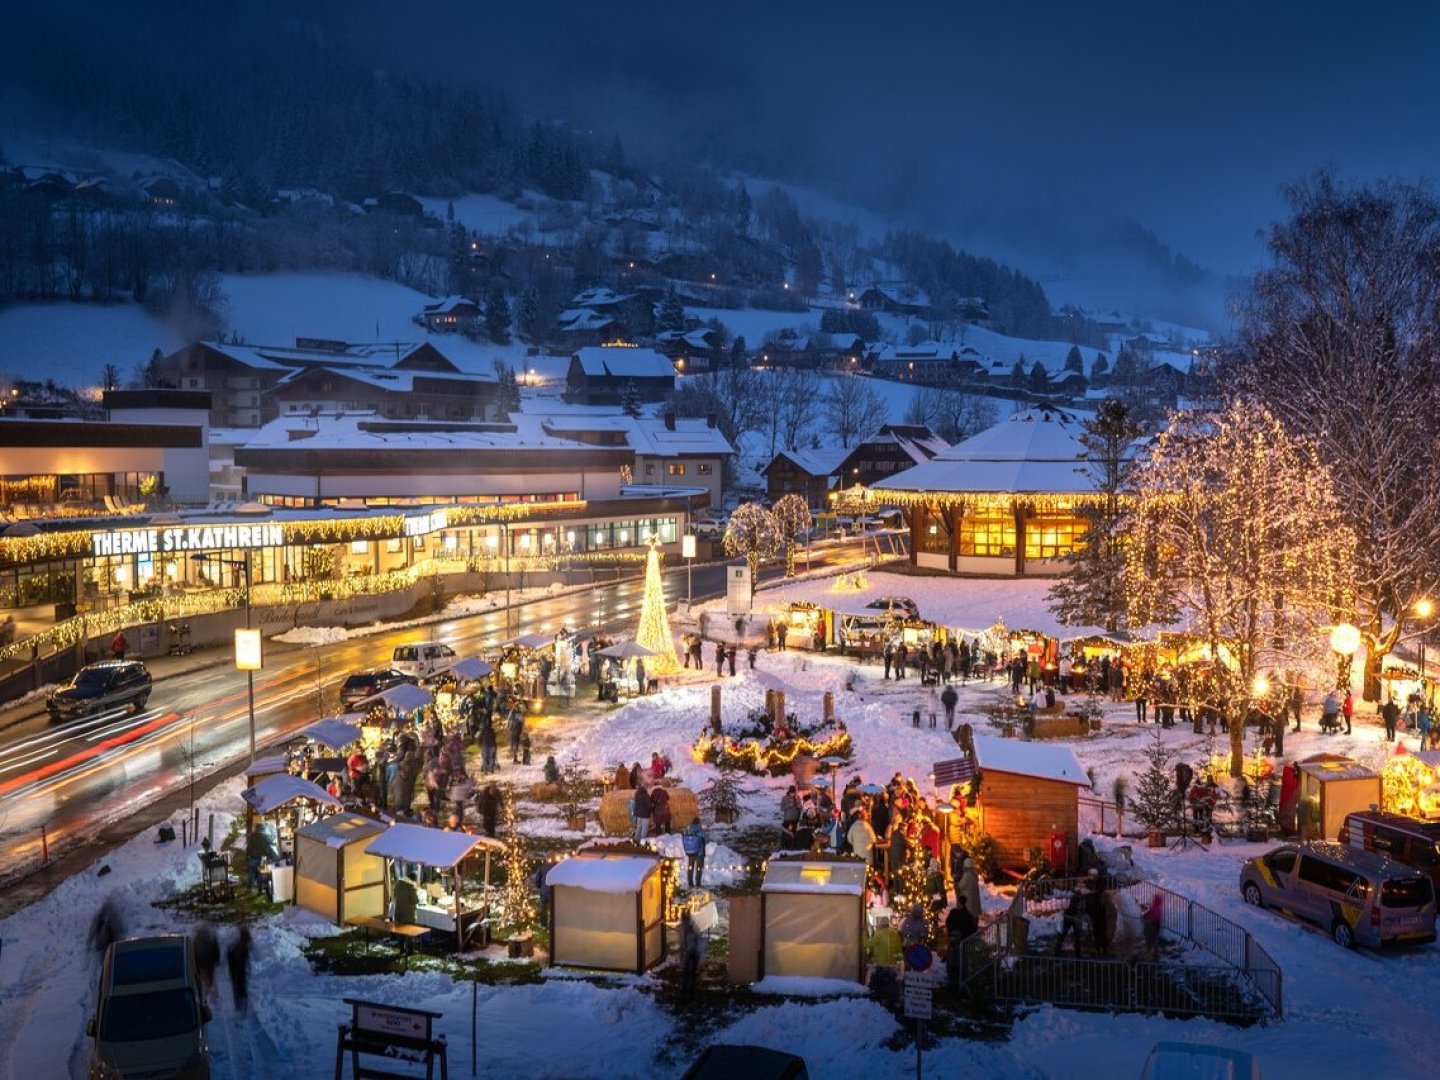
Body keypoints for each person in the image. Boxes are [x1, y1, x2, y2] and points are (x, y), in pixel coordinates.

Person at [945, 896, 978, 992]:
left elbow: (970, 929)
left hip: (960, 942)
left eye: (959, 903)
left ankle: (958, 983)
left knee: (959, 962)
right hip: (954, 941)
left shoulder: (965, 915)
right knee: (951, 962)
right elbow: (948, 923)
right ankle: (952, 982)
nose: (958, 905)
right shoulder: (956, 913)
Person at [225, 926, 252, 1014]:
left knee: (238, 989)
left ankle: (240, 1008)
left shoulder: (241, 945)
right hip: (238, 971)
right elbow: (239, 960)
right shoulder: (241, 946)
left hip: (237, 971)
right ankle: (241, 1009)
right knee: (240, 989)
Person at [245, 823, 278, 894]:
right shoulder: (265, 837)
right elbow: (271, 843)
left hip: (253, 858)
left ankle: (249, 888)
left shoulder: (252, 836)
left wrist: (247, 856)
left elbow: (249, 848)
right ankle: (260, 890)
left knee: (251, 874)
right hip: (261, 859)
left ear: (256, 828)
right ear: (263, 829)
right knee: (260, 875)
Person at [1053, 889, 1087, 955]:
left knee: (1068, 935)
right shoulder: (1078, 899)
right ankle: (1077, 953)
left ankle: (1057, 951)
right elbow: (1079, 909)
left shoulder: (1077, 898)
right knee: (1074, 935)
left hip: (1070, 917)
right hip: (1071, 917)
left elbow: (1079, 909)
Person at [680, 910, 705, 1000]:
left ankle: (685, 992)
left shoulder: (684, 926)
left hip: (689, 950)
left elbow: (683, 940)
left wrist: (683, 952)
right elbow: (699, 937)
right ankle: (691, 992)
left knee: (686, 972)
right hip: (695, 951)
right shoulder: (694, 925)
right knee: (692, 972)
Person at [193, 924, 220, 1001]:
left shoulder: (197, 940)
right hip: (207, 963)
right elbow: (215, 949)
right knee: (209, 978)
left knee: (206, 979)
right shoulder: (208, 939)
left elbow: (194, 952)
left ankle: (209, 994)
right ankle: (210, 994)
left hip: (204, 963)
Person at [682, 818, 708, 887]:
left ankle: (690, 882)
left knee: (690, 867)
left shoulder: (689, 830)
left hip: (691, 852)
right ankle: (698, 883)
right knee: (699, 868)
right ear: (699, 823)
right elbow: (706, 840)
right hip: (700, 853)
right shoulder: (701, 831)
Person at [1142, 891, 1165, 959]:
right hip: (1156, 926)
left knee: (1149, 939)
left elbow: (1150, 916)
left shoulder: (1154, 909)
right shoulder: (1158, 909)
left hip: (1151, 926)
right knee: (1154, 939)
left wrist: (1145, 917)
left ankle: (1149, 951)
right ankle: (1155, 952)